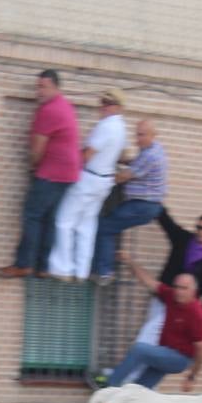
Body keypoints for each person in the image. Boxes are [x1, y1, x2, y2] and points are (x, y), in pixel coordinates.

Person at [0, 69, 79, 279]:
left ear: (56, 87)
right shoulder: (65, 105)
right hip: (68, 174)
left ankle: (23, 264)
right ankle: (43, 266)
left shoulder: (49, 110)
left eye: (43, 86)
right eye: (38, 86)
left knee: (32, 215)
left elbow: (37, 149)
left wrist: (33, 165)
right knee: (49, 219)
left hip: (52, 173)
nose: (39, 91)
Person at [47, 89, 126, 282]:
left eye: (105, 104)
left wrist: (72, 169)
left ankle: (62, 268)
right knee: (86, 226)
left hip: (89, 178)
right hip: (104, 181)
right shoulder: (122, 128)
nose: (102, 108)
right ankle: (81, 271)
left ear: (114, 106)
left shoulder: (106, 126)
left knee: (64, 220)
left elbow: (89, 152)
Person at [105, 252, 202, 391]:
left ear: (193, 291)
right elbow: (149, 282)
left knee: (138, 349)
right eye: (176, 287)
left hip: (180, 359)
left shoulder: (197, 313)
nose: (178, 291)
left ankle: (108, 387)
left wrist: (192, 377)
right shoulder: (172, 296)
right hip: (165, 352)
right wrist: (129, 261)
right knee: (140, 390)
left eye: (184, 288)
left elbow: (201, 351)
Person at [92, 120, 168, 282]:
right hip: (145, 206)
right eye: (137, 134)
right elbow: (136, 164)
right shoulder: (154, 149)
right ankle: (107, 264)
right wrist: (121, 160)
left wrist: (97, 177)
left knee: (105, 227)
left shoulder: (150, 155)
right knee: (113, 224)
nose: (137, 139)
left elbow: (123, 177)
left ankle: (104, 272)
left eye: (142, 135)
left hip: (142, 206)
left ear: (153, 135)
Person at [156, 209, 202, 318]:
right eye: (199, 228)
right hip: (165, 296)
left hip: (185, 307)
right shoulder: (183, 239)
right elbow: (168, 224)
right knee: (150, 332)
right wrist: (155, 203)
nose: (201, 231)